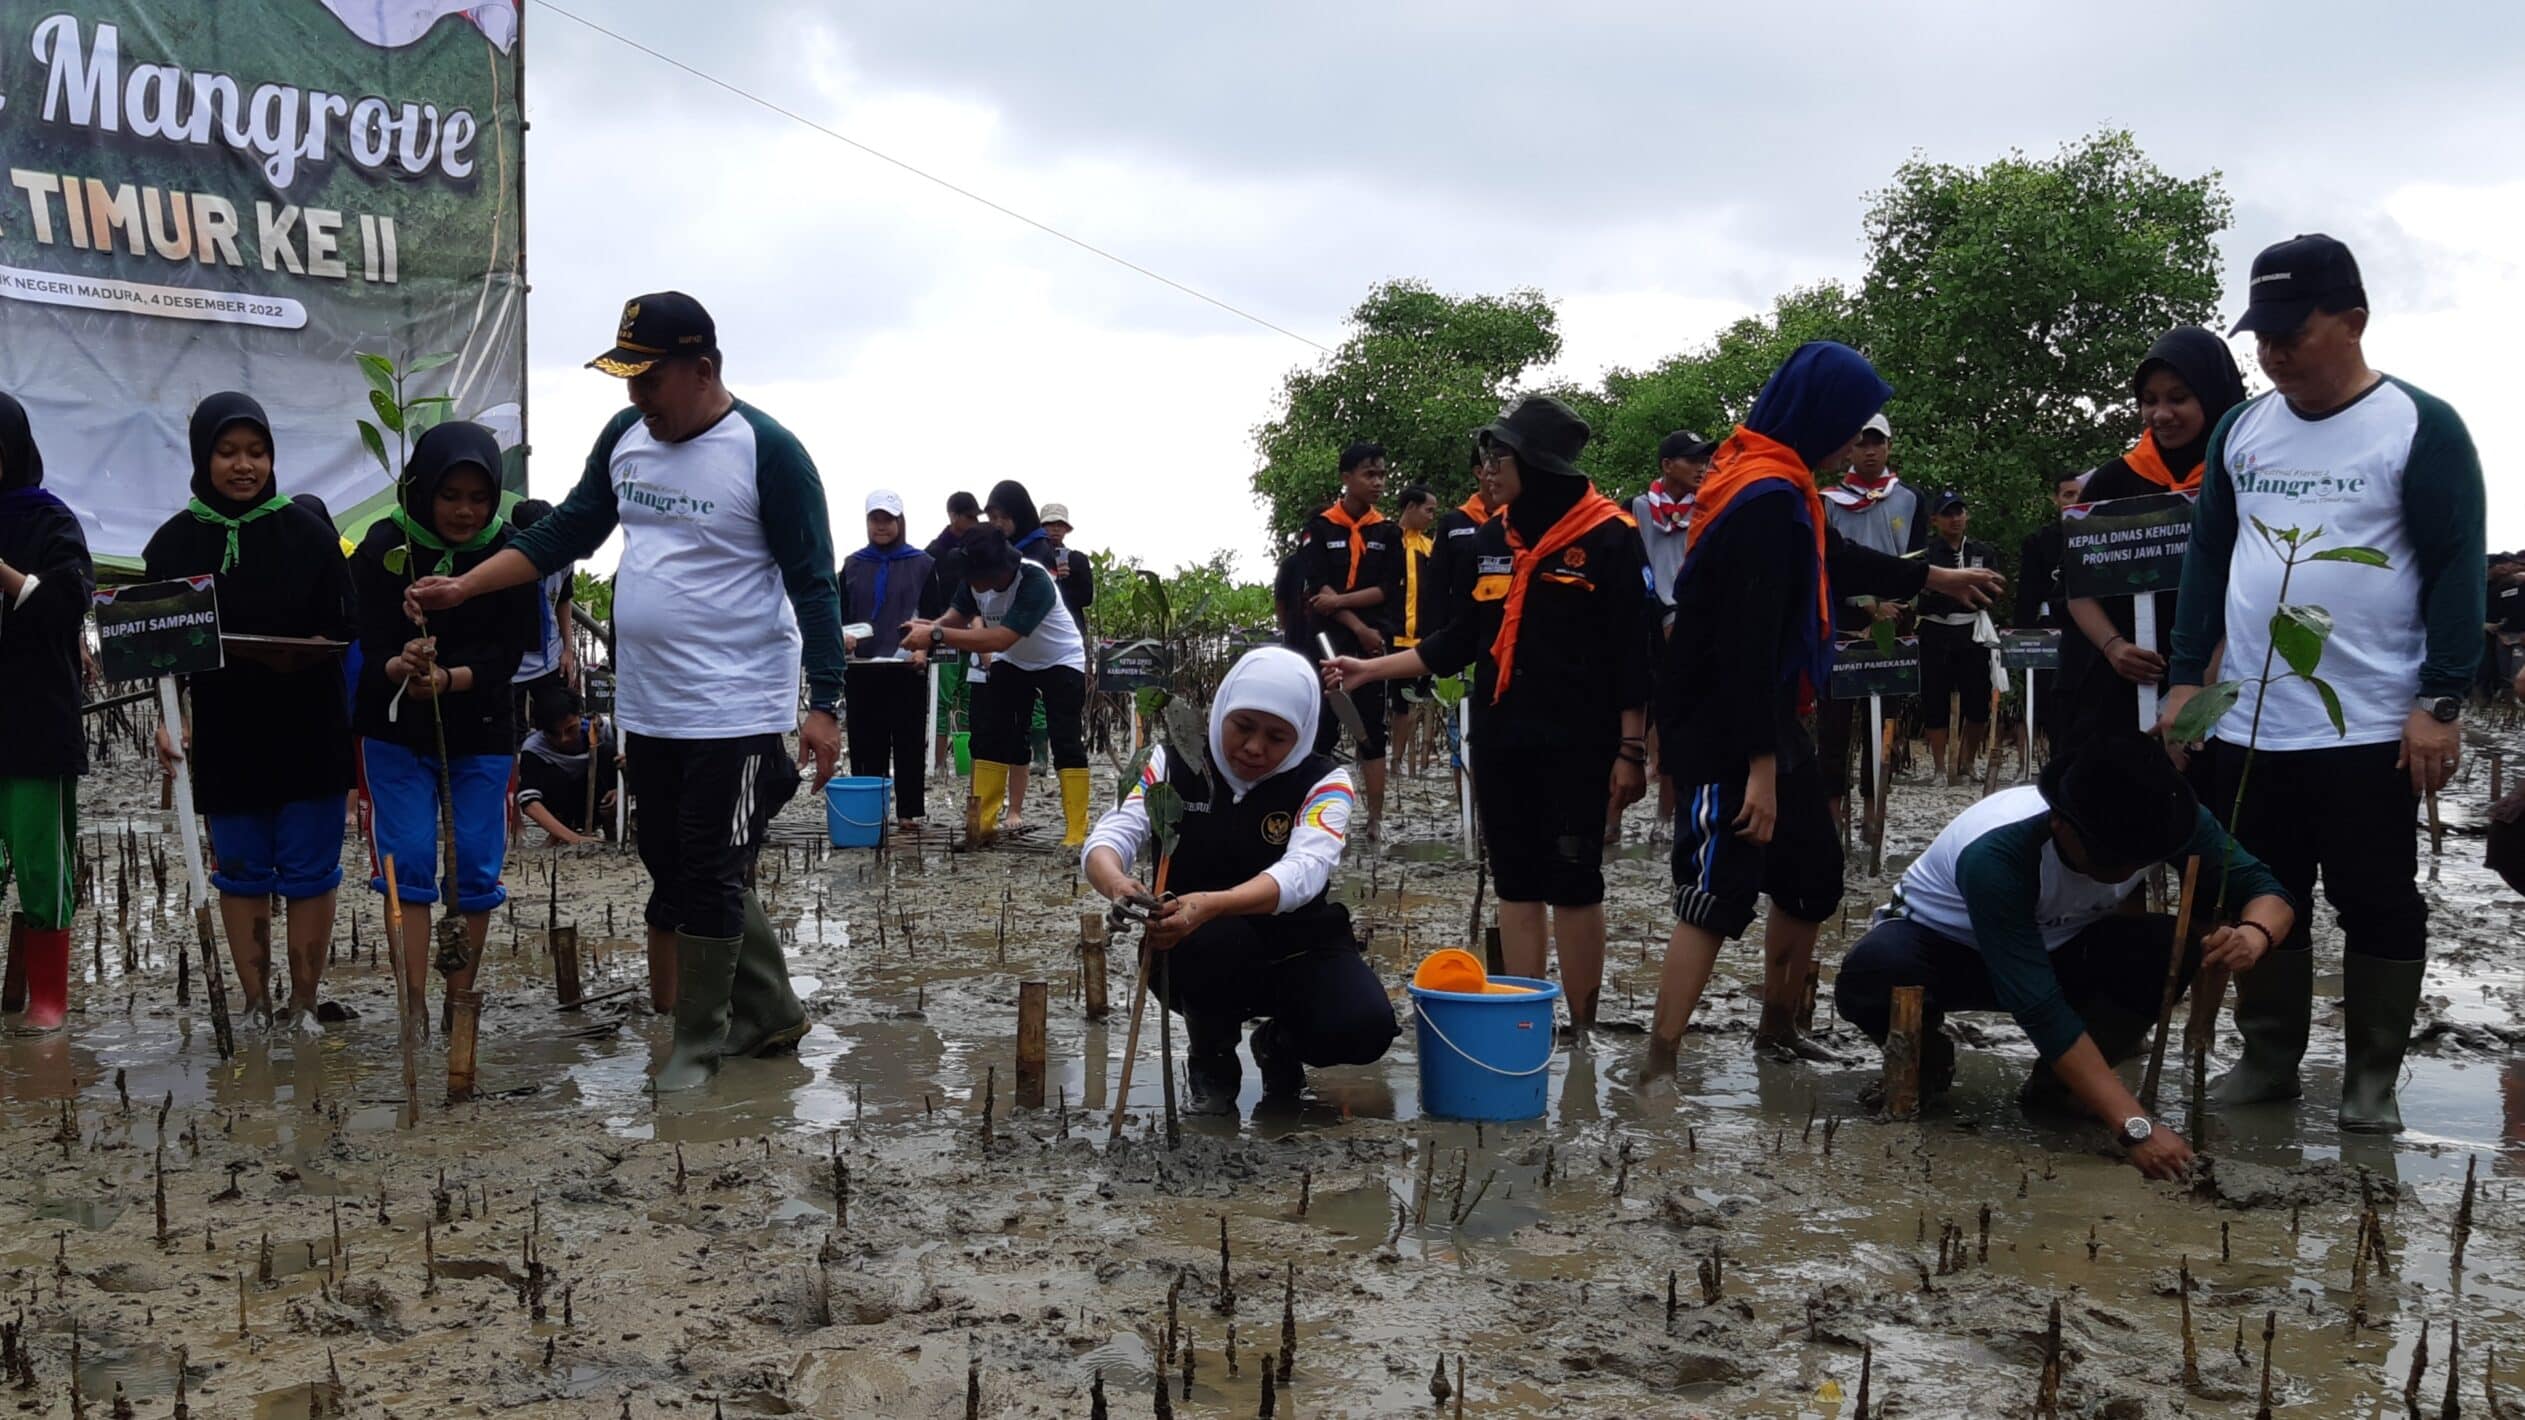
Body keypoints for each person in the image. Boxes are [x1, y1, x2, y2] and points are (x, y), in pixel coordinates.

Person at [408, 292, 843, 1090]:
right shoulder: (625, 438)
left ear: (702, 368)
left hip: (737, 705)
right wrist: (463, 588)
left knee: (710, 862)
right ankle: (772, 1006)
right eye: (627, 379)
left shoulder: (768, 451)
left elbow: (814, 585)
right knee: (667, 857)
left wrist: (825, 704)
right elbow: (564, 531)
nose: (635, 397)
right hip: (652, 703)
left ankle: (700, 1041)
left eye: (649, 379)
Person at [2163, 233, 2486, 1134]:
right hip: (2252, 720)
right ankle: (2268, 1058)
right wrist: (2187, 680)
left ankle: (2370, 1079)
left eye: (2290, 331)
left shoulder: (2420, 426)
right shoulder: (2240, 431)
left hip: (2371, 724)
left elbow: (2456, 566)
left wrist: (2441, 700)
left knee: (2376, 896)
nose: (2269, 352)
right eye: (2258, 333)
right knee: (2260, 891)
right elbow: (2207, 557)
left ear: (2350, 322)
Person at [1646, 342, 2006, 1067]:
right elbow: (1744, 643)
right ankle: (1657, 1060)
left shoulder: (1782, 483)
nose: (1852, 445)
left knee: (1811, 876)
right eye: (1846, 426)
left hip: (1772, 713)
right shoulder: (1762, 496)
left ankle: (1778, 1029)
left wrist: (1931, 575)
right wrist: (1759, 769)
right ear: (1815, 415)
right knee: (1715, 888)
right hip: (1727, 721)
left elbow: (1831, 558)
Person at [1325, 397, 1652, 1028]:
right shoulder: (1491, 539)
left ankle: (1582, 1027)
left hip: (1580, 742)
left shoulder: (1610, 535)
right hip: (1503, 737)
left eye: (1500, 456)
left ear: (1539, 464)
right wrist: (1371, 668)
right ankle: (1525, 1023)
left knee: (1576, 881)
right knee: (1517, 881)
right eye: (1487, 456)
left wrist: (1631, 750)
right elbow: (1458, 641)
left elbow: (1634, 654)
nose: (1488, 470)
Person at [1832, 733, 2295, 1179]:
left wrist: (2255, 935)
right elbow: (2039, 1007)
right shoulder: (1998, 853)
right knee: (1873, 971)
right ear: (2061, 823)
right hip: (1943, 949)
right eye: (2108, 857)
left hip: (2063, 946)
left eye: (2136, 859)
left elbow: (2268, 891)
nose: (2123, 872)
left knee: (2162, 947)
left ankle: (2059, 1089)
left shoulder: (2168, 819)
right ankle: (1928, 1064)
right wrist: (2136, 1127)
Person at [1081, 647, 1399, 1113]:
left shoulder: (1325, 781)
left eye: (1277, 737)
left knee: (1364, 1027)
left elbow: (1304, 874)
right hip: (1195, 949)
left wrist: (1213, 902)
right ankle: (1212, 1062)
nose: (1254, 747)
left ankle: (1278, 1046)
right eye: (1243, 726)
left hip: (1299, 946)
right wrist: (1118, 884)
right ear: (1222, 711)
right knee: (1213, 940)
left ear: (1303, 733)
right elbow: (1112, 835)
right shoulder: (1170, 765)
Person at [143, 392, 357, 1037]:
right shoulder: (174, 543)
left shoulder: (311, 534)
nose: (245, 466)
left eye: (257, 452)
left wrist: (316, 647)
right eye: (229, 453)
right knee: (239, 869)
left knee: (311, 869)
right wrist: (168, 715)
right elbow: (156, 651)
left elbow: (347, 626)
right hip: (228, 729)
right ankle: (256, 1003)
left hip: (309, 724)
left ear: (273, 457)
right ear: (202, 457)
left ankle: (305, 1003)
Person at [354, 421, 537, 1035]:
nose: (465, 511)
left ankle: (462, 1007)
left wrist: (452, 678)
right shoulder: (386, 545)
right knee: (405, 863)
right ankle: (412, 1011)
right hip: (397, 731)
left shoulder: (510, 554)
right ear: (422, 489)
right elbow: (367, 644)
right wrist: (401, 663)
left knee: (475, 868)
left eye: (479, 497)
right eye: (450, 495)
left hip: (481, 730)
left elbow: (509, 654)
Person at [2063, 329, 2248, 750]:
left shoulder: (2241, 478)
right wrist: (2114, 648)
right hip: (2122, 680)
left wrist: (2204, 680)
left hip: (2226, 680)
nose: (2161, 414)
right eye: (2150, 400)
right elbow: (2078, 586)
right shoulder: (2114, 480)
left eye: (2179, 398)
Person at [903, 526, 1092, 847]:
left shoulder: (1034, 581)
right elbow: (955, 616)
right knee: (991, 736)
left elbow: (999, 637)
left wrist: (935, 636)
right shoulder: (973, 584)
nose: (972, 582)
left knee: (1066, 739)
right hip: (1014, 660)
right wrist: (927, 630)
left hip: (1059, 658)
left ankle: (1076, 831)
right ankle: (982, 826)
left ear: (998, 569)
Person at [0, 393, 91, 1033]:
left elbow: (68, 599)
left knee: (40, 861)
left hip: (33, 724)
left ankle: (48, 999)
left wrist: (3, 574)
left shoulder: (48, 520)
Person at [1815, 413, 1924, 825]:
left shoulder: (1909, 499)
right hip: (1843, 617)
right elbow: (1823, 563)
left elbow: (1917, 560)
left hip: (1896, 618)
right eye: (1861, 443)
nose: (1870, 450)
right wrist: (1864, 602)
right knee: (1834, 721)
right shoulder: (1827, 500)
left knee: (1885, 720)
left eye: (1877, 442)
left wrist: (1893, 604)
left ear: (1890, 446)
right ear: (1849, 450)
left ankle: (1873, 808)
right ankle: (1831, 810)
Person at [1298, 442, 1403, 838]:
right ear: (1346, 478)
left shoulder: (1387, 531)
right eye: (1368, 475)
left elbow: (1386, 589)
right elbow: (1318, 592)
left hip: (1374, 641)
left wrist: (1347, 609)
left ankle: (1375, 820)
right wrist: (1354, 622)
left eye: (1381, 475)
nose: (1377, 483)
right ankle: (1312, 812)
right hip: (1327, 638)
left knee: (1372, 731)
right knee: (1321, 726)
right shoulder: (1320, 526)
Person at [1632, 431, 1716, 839]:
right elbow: (1633, 564)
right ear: (1667, 465)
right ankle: (1614, 816)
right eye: (1692, 459)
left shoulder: (1710, 506)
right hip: (1647, 619)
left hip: (1694, 619)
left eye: (1705, 459)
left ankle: (1667, 818)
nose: (1702, 467)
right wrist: (1658, 611)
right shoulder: (1638, 508)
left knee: (1679, 717)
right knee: (1638, 711)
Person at [843, 490, 936, 826]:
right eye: (875, 519)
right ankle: (869, 813)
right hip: (862, 667)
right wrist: (844, 641)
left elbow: (935, 617)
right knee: (866, 740)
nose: (881, 526)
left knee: (909, 740)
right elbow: (841, 613)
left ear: (900, 521)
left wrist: (923, 649)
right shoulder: (853, 565)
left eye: (887, 519)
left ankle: (909, 813)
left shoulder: (923, 564)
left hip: (906, 666)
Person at [1915, 490, 2002, 783]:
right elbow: (1921, 594)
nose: (1955, 519)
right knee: (1934, 698)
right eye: (1948, 514)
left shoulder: (1982, 551)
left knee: (1977, 699)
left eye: (1959, 512)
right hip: (1936, 629)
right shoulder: (1926, 554)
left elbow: (1993, 590)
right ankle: (1940, 767)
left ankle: (1967, 762)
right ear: (1935, 519)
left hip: (1971, 630)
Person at [2014, 472, 2085, 758]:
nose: (2074, 501)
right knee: (2053, 703)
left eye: (2080, 494)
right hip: (2050, 630)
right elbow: (2027, 594)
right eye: (2068, 494)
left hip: (2094, 634)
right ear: (2055, 499)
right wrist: (2022, 640)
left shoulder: (2102, 533)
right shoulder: (2039, 541)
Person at [507, 497, 578, 737]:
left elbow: (564, 600)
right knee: (512, 734)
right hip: (511, 665)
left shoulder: (564, 557)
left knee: (559, 725)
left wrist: (568, 649)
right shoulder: (504, 565)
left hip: (550, 659)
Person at [517, 684, 620, 845]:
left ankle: (611, 830)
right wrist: (574, 839)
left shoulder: (603, 730)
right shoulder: (533, 749)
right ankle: (559, 833)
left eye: (571, 729)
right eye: (554, 734)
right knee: (553, 776)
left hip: (599, 803)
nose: (564, 739)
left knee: (607, 753)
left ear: (580, 716)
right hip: (560, 806)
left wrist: (619, 790)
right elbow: (529, 802)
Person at [926, 491, 981, 772]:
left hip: (975, 635)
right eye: (969, 516)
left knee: (971, 698)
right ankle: (937, 764)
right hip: (944, 636)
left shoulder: (980, 550)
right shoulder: (934, 553)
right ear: (953, 516)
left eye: (976, 517)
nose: (973, 522)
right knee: (942, 699)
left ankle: (966, 764)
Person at [1389, 485, 1441, 777]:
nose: (1432, 516)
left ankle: (1403, 761)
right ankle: (1384, 761)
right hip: (1390, 635)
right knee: (1389, 703)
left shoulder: (1430, 547)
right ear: (1410, 507)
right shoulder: (1389, 542)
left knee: (1410, 702)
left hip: (1421, 638)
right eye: (1428, 510)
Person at [1040, 502, 1095, 626]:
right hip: (1042, 627)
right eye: (1051, 524)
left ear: (1066, 529)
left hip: (1071, 626)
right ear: (1041, 528)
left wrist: (1064, 580)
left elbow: (1086, 598)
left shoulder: (1078, 559)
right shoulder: (1034, 560)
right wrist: (1054, 576)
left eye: (1060, 525)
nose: (1056, 528)